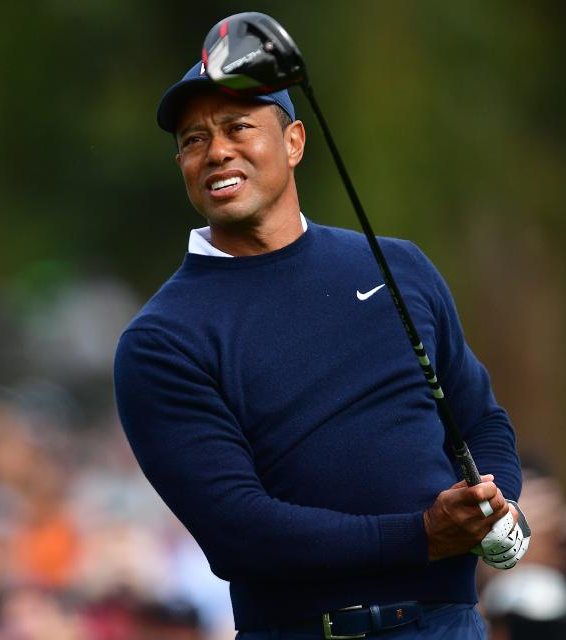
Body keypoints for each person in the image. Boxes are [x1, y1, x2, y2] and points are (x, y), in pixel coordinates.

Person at [113, 60, 529, 638]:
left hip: (448, 625)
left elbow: (480, 420)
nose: (216, 152)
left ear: (294, 141)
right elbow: (240, 532)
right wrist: (422, 535)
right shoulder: (162, 339)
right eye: (194, 140)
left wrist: (494, 501)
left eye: (238, 127)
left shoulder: (399, 265)